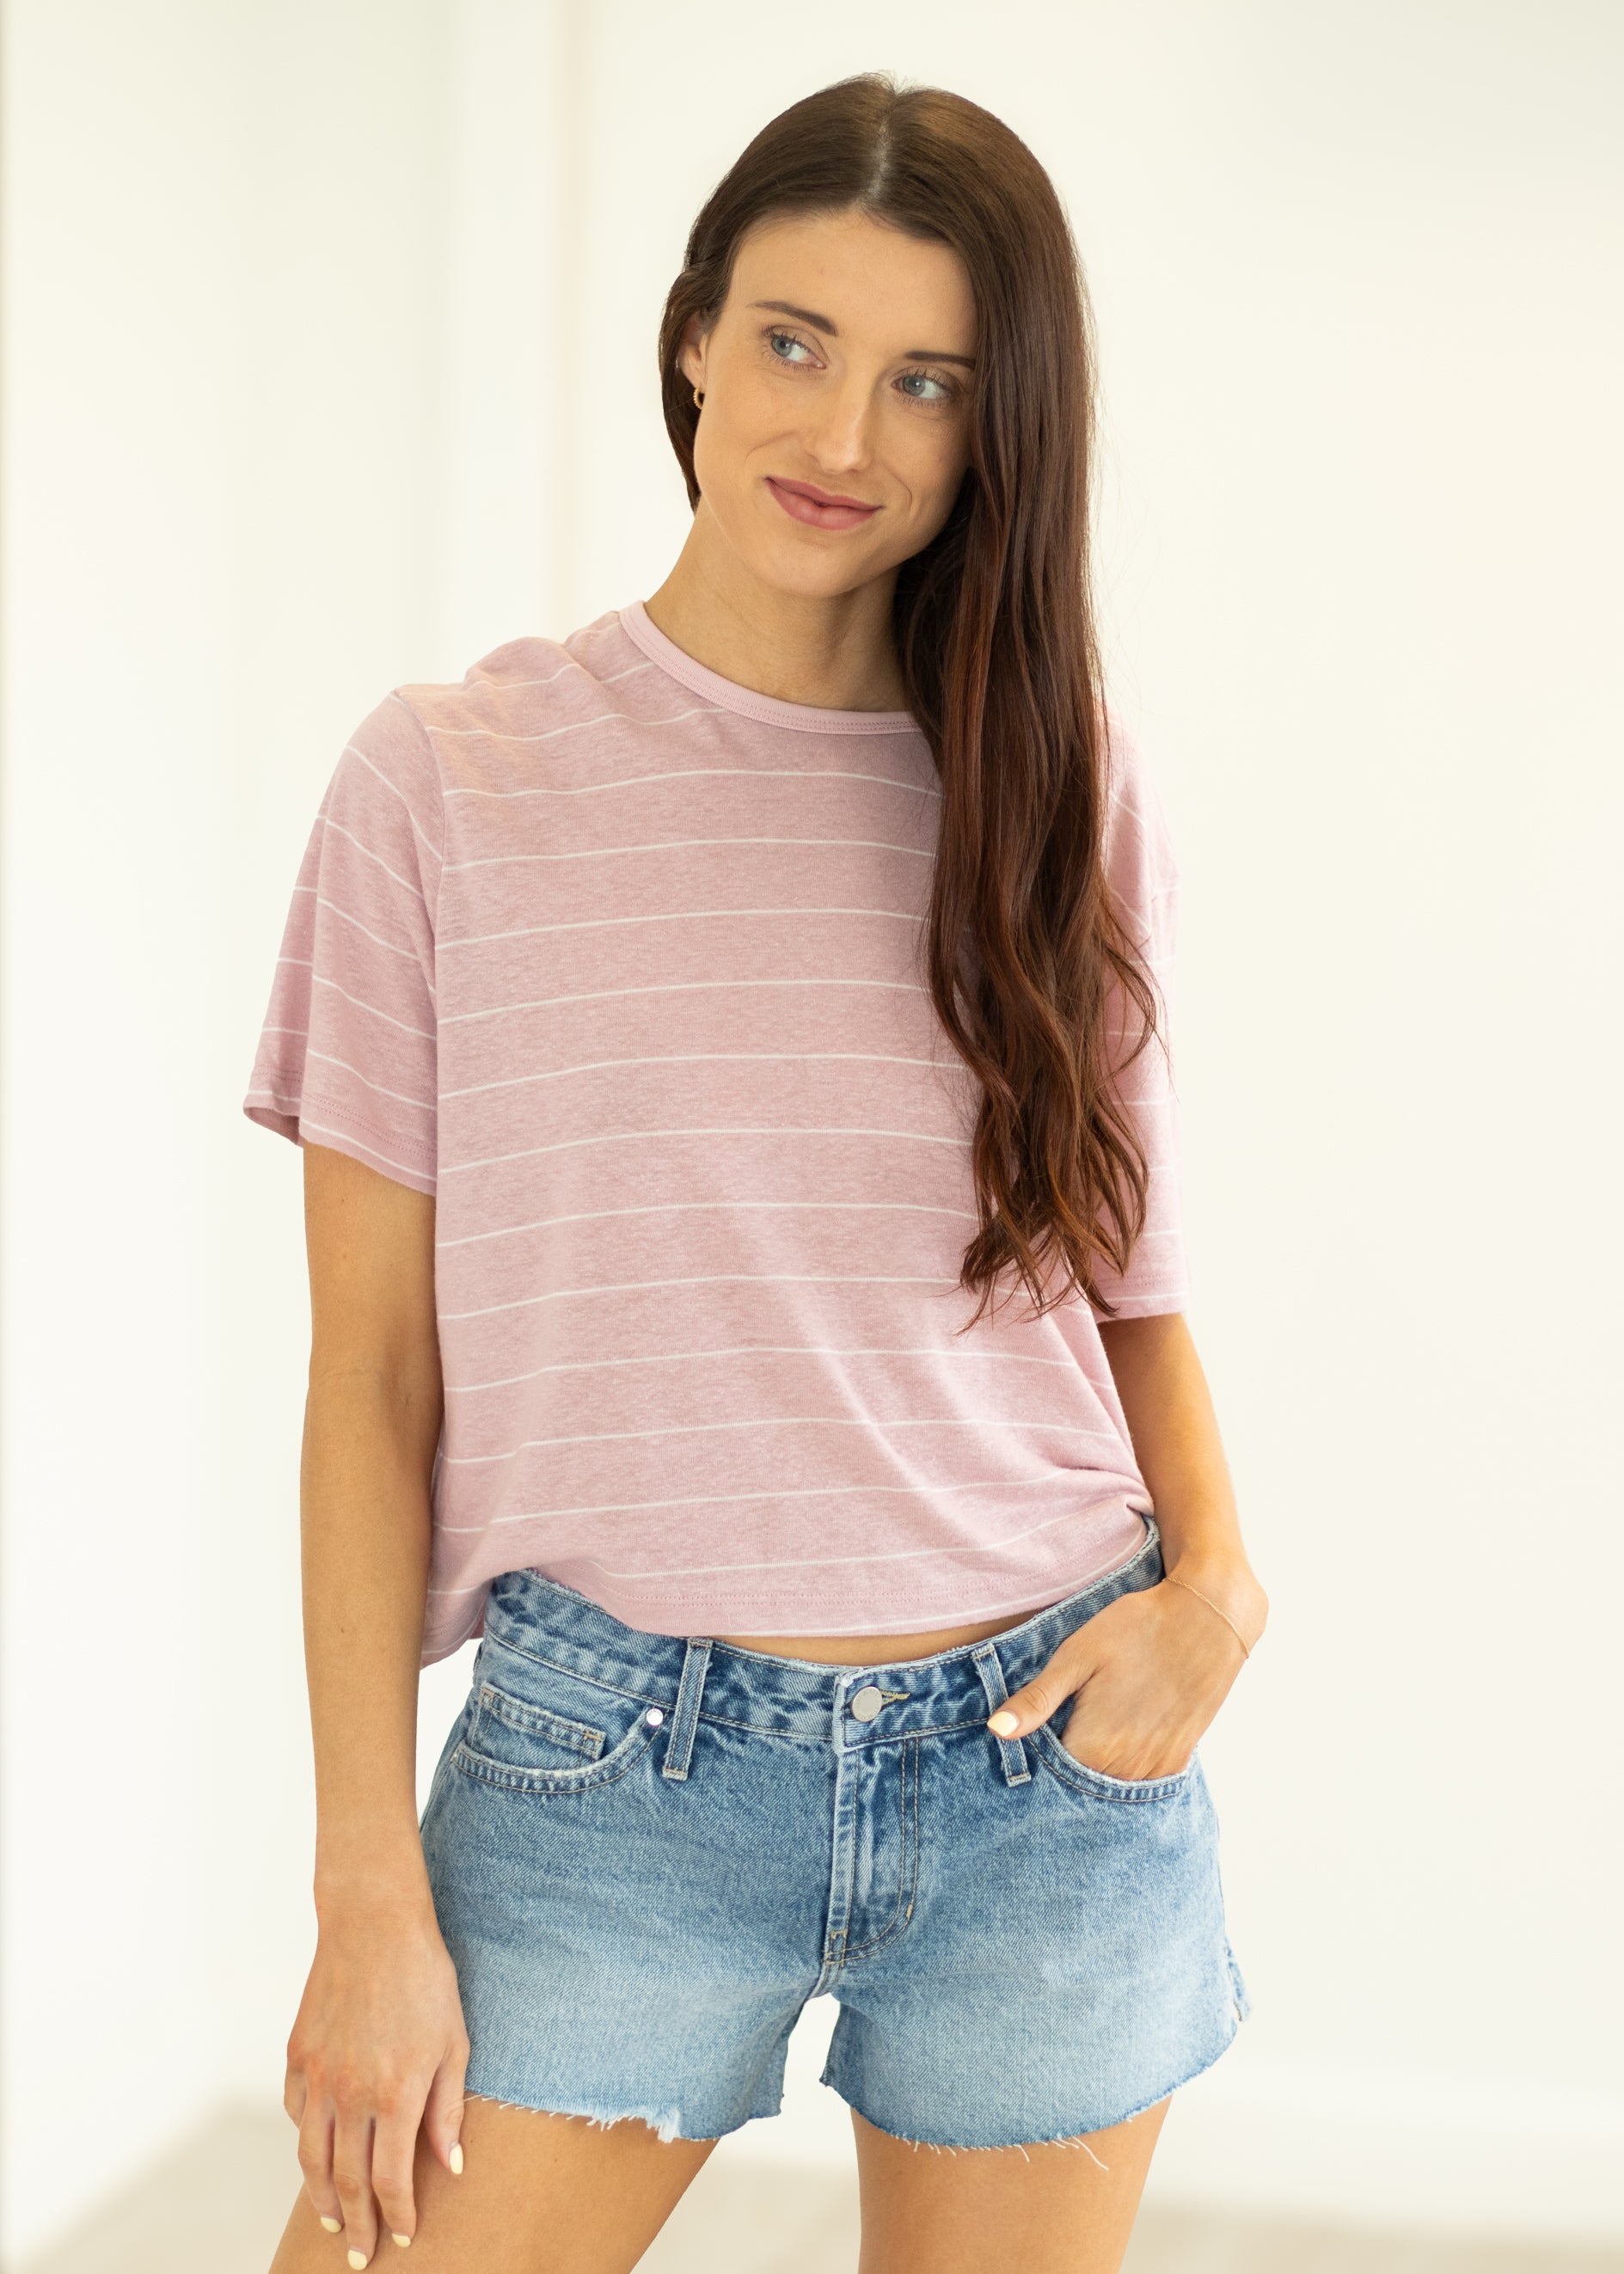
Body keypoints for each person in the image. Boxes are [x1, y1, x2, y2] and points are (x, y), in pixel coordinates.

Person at [246, 71, 1266, 2274]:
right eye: (797, 341)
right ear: (696, 333)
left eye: (930, 384)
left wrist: (1223, 1588)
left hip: (1042, 1758)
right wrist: (363, 1889)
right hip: (613, 1773)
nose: (848, 434)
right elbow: (371, 1384)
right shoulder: (449, 780)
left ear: (998, 430)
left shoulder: (1054, 783)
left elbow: (1128, 1275)